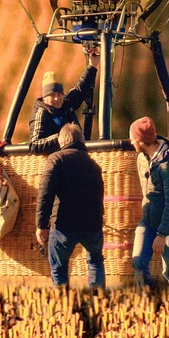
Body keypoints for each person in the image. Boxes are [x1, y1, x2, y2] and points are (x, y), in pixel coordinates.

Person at [35, 124, 106, 288]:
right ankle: (98, 302)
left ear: (62, 141)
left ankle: (64, 307)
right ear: (81, 141)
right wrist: (99, 220)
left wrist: (41, 225)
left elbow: (45, 193)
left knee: (59, 269)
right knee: (95, 262)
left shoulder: (56, 160)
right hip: (92, 225)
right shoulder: (94, 165)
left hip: (64, 225)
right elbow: (99, 195)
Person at [129, 115, 169, 287]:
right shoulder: (141, 158)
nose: (130, 141)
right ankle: (151, 302)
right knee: (138, 262)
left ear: (140, 140)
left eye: (132, 138)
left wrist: (162, 234)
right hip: (148, 221)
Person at [28, 48, 98, 154]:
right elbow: (34, 145)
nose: (57, 98)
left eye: (59, 94)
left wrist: (92, 65)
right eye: (52, 95)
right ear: (44, 97)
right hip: (57, 161)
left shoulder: (65, 104)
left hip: (74, 156)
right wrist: (63, 137)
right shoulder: (41, 114)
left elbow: (81, 89)